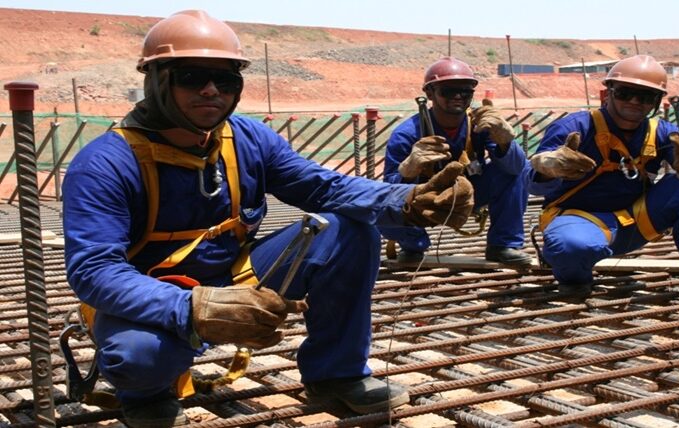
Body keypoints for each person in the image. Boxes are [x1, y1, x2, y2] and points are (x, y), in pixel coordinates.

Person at [61, 10, 473, 427]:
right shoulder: (105, 163)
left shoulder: (247, 139)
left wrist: (404, 198)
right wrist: (189, 306)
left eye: (225, 80)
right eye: (191, 77)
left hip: (234, 274)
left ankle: (337, 374)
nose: (210, 90)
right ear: (156, 79)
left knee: (350, 229)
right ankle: (146, 397)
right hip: (152, 294)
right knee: (138, 357)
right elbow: (94, 271)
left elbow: (323, 188)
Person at [528, 54, 679, 298]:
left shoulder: (661, 132)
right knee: (571, 247)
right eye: (625, 92)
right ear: (608, 92)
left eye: (645, 96)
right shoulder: (575, 127)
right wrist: (548, 168)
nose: (634, 101)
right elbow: (532, 180)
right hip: (582, 223)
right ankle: (574, 277)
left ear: (656, 102)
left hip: (637, 222)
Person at [380, 57, 532, 267]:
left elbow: (516, 169)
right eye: (449, 90)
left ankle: (503, 245)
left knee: (519, 167)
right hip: (426, 201)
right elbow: (389, 194)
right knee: (380, 210)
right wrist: (409, 169)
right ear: (430, 93)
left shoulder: (481, 124)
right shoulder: (406, 135)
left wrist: (507, 143)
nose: (459, 96)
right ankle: (414, 245)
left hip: (470, 193)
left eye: (466, 90)